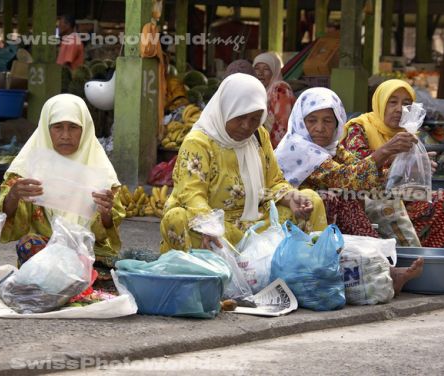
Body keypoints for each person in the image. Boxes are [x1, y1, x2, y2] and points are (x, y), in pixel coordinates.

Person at [274, 87, 424, 295]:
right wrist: (385, 151)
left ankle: (393, 263)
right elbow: (346, 179)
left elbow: (359, 171)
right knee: (346, 198)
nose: (319, 128)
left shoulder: (333, 148)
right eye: (312, 120)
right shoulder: (299, 147)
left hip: (327, 216)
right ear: (300, 120)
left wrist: (403, 167)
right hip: (296, 217)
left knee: (380, 198)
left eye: (327, 121)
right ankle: (386, 267)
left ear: (337, 123)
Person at [160, 73, 326, 252]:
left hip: (254, 223)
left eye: (254, 119)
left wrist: (290, 197)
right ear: (225, 110)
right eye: (240, 117)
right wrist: (208, 225)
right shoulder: (199, 142)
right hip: (215, 225)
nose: (247, 126)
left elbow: (274, 182)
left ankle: (312, 266)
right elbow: (191, 194)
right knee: (178, 219)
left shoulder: (258, 136)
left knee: (311, 199)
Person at [0, 94, 125, 271]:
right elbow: (5, 219)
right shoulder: (28, 168)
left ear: (84, 129)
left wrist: (106, 213)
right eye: (57, 127)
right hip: (45, 251)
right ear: (46, 129)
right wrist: (14, 195)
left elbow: (108, 233)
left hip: (88, 252)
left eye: (73, 127)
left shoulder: (100, 170)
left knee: (114, 267)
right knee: (29, 245)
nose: (65, 135)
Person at [340, 79, 444, 248]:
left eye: (406, 104)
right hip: (367, 202)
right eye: (392, 102)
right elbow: (357, 164)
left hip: (401, 200)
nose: (399, 109)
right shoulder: (360, 127)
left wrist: (419, 168)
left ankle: (435, 259)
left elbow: (407, 183)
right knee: (397, 208)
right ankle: (411, 256)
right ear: (380, 103)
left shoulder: (409, 133)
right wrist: (397, 157)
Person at [253, 52, 296, 148]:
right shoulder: (260, 92)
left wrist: (269, 151)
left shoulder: (280, 89)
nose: (260, 73)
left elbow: (282, 126)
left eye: (266, 69)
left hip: (278, 149)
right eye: (257, 68)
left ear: (274, 70)